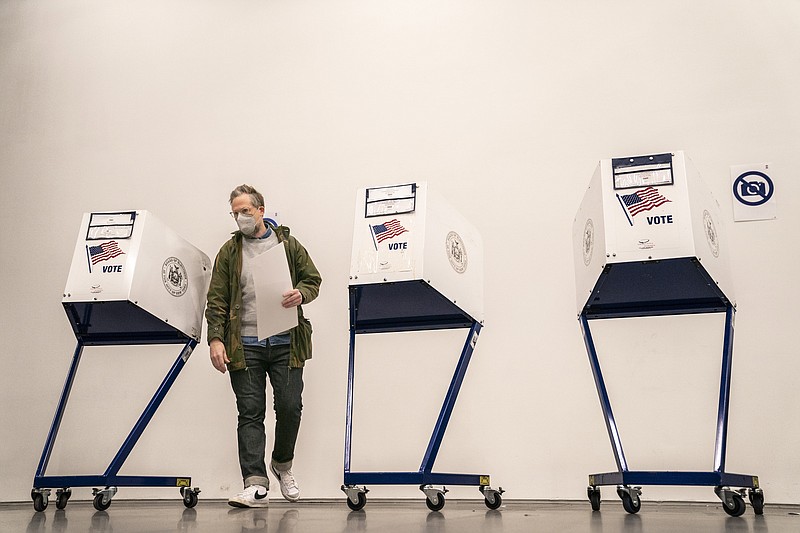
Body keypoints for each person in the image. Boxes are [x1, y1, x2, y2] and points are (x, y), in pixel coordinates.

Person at [206, 184, 322, 508]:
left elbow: (312, 280)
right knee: (250, 413)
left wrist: (302, 293)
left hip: (286, 340)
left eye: (245, 210)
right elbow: (215, 299)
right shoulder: (230, 251)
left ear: (260, 209)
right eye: (235, 213)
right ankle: (255, 483)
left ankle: (282, 464)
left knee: (289, 408)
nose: (240, 217)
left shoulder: (288, 244)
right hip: (245, 344)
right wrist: (215, 339)